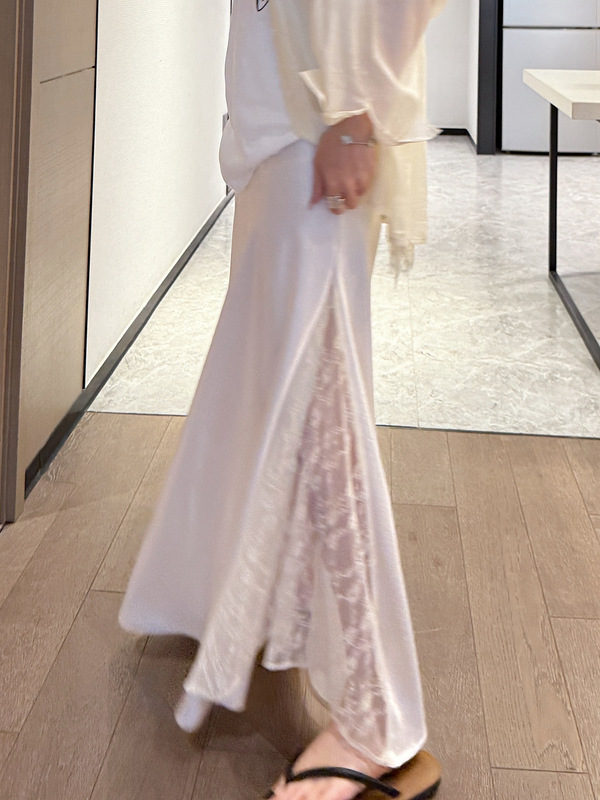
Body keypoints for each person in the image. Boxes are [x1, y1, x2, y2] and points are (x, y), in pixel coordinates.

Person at [119, 1, 446, 798]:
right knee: (272, 390)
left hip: (318, 122)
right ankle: (242, 596)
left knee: (323, 414)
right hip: (286, 121)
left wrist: (353, 113)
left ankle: (372, 717)